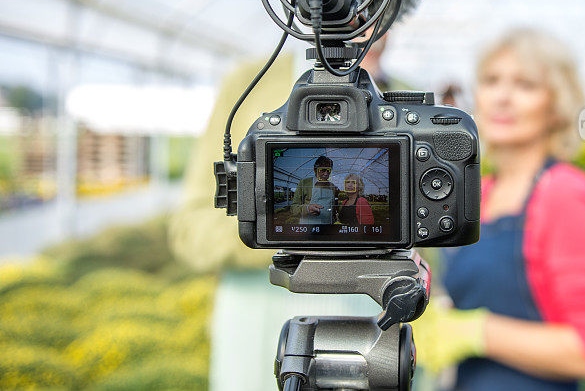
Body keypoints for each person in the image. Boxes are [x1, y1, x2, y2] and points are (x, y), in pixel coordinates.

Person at [168, 30, 414, 390]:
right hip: (261, 339)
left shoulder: (411, 99)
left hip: (379, 343)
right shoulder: (249, 86)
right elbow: (191, 232)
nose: (359, 21)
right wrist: (295, 229)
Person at [413, 27, 585, 390]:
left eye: (525, 85)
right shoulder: (477, 193)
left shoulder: (564, 193)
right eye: (491, 80)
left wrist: (479, 333)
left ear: (557, 106)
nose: (501, 97)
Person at [290, 155, 338, 224]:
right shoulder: (304, 183)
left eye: (328, 170)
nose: (326, 173)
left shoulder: (332, 186)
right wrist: (307, 209)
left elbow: (332, 209)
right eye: (323, 170)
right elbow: (293, 209)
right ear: (315, 170)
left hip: (327, 228)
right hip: (309, 228)